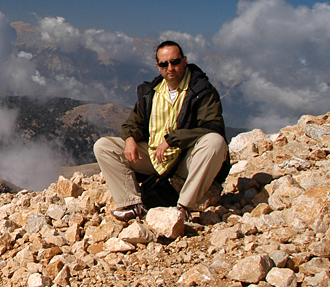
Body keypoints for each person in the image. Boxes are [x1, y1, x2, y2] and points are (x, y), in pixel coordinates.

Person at [93, 40, 229, 222]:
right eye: (164, 64)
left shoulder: (201, 91)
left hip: (185, 159)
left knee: (215, 142)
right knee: (103, 146)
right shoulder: (151, 92)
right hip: (154, 157)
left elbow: (212, 126)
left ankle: (183, 208)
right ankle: (133, 205)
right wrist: (130, 138)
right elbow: (133, 122)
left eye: (175, 62)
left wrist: (172, 140)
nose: (170, 68)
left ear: (184, 61)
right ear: (158, 66)